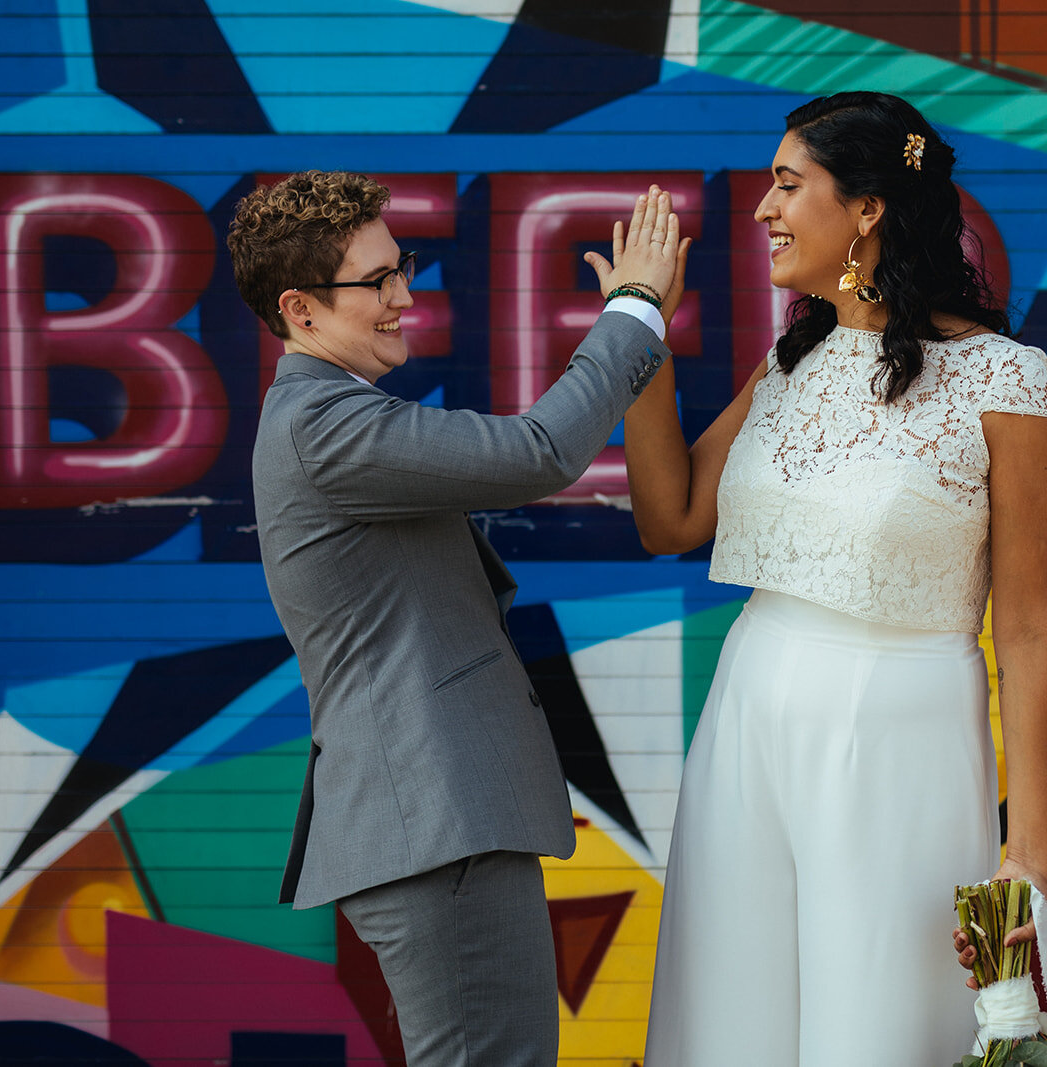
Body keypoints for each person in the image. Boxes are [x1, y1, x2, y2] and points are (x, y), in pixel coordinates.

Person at [622, 94, 1047, 1064]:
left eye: (787, 184)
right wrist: (640, 329)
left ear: (866, 208)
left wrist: (1027, 854)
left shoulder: (1004, 380)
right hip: (746, 722)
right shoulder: (790, 361)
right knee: (728, 1022)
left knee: (873, 1025)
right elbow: (671, 518)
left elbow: (1032, 628)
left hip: (898, 744)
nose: (762, 210)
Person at [229, 170, 689, 1067]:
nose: (405, 295)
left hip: (434, 829)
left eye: (402, 266)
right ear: (301, 309)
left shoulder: (325, 417)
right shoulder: (321, 427)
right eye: (376, 281)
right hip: (432, 828)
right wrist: (634, 307)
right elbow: (540, 449)